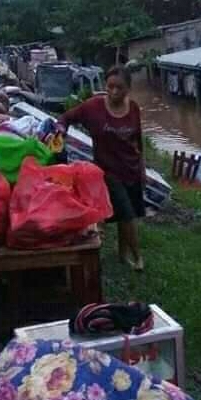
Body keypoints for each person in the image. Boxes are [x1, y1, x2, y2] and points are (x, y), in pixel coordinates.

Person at [59, 65, 145, 271]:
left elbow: (138, 141)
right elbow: (66, 118)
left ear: (128, 89)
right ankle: (138, 257)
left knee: (126, 213)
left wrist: (142, 168)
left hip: (131, 169)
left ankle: (123, 254)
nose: (114, 92)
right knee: (126, 214)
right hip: (109, 171)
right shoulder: (93, 107)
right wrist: (60, 133)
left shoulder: (133, 108)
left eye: (120, 88)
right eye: (111, 87)